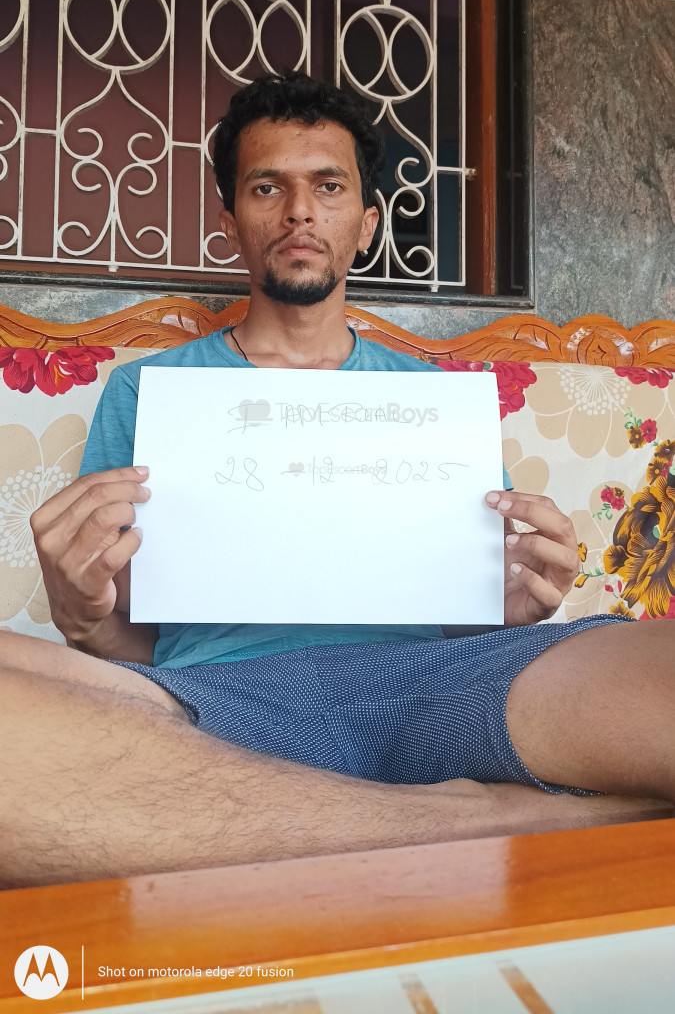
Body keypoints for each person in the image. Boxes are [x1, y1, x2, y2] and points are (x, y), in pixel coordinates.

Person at [3, 72, 672, 890]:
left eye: (328, 187)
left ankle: (308, 824)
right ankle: (483, 820)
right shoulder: (147, 391)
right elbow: (130, 641)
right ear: (229, 222)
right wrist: (82, 617)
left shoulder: (435, 401)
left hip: (440, 690)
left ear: (366, 223)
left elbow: (473, 623)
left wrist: (509, 608)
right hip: (208, 706)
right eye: (266, 187)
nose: (299, 212)